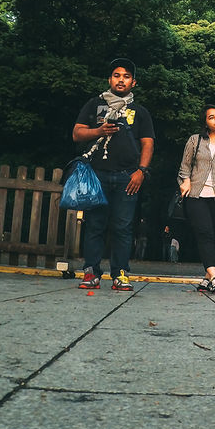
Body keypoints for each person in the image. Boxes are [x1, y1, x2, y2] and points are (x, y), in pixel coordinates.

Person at [72, 58, 155, 292]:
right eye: (117, 75)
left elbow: (148, 143)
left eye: (126, 76)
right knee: (95, 225)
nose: (121, 79)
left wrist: (141, 171)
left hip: (128, 176)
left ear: (133, 82)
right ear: (110, 79)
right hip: (96, 175)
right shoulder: (94, 104)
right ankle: (91, 272)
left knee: (123, 226)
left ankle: (120, 273)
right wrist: (98, 131)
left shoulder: (139, 112)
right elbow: (77, 134)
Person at [177, 105, 215, 294]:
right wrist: (185, 181)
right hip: (196, 195)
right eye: (211, 117)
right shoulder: (195, 141)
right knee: (204, 233)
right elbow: (185, 166)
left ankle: (207, 279)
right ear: (205, 122)